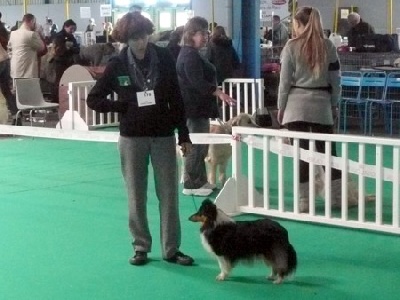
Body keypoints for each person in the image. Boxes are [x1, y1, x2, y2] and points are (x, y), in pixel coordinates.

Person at [86, 12, 194, 267]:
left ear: (149, 34)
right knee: (136, 195)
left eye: (144, 36)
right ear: (125, 39)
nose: (141, 43)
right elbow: (94, 99)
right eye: (135, 38)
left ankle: (171, 249)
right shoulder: (116, 64)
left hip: (163, 135)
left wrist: (184, 135)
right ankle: (141, 247)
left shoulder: (165, 58)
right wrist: (120, 106)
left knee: (169, 195)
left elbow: (176, 98)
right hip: (131, 138)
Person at [277, 7, 342, 212]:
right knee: (329, 154)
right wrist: (335, 103)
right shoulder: (329, 46)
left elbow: (284, 81)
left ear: (299, 24)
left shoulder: (291, 46)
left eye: (294, 24)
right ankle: (336, 198)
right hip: (321, 105)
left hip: (296, 107)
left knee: (301, 153)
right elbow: (336, 80)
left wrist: (281, 107)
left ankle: (304, 201)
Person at [176, 16, 236, 197]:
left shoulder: (192, 54)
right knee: (194, 146)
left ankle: (200, 180)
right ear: (191, 34)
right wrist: (218, 92)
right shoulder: (189, 55)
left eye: (206, 33)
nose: (206, 37)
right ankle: (191, 183)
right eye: (203, 33)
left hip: (197, 109)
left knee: (201, 146)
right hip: (193, 109)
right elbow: (196, 82)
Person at [8, 13, 45, 80]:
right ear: (31, 21)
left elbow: (9, 49)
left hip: (15, 69)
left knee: (17, 89)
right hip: (28, 71)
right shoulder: (31, 34)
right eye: (34, 23)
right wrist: (37, 32)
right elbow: (42, 47)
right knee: (28, 90)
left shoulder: (13, 34)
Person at [51, 19, 79, 103]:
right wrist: (69, 48)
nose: (73, 31)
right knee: (59, 81)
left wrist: (69, 48)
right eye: (71, 28)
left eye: (74, 29)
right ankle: (55, 100)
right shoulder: (59, 36)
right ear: (65, 27)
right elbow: (60, 50)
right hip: (60, 62)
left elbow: (77, 49)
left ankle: (66, 99)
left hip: (69, 62)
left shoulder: (71, 37)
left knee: (69, 81)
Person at [0, 11, 19, 125]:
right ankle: (16, 116)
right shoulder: (3, 27)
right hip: (5, 60)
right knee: (6, 90)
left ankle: (3, 121)